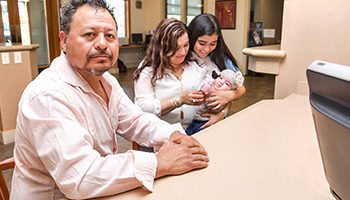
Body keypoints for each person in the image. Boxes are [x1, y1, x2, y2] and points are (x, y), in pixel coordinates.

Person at [10, 1, 209, 199]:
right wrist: (159, 163)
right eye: (89, 35)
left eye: (110, 36)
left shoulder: (107, 81)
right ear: (64, 41)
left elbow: (136, 121)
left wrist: (173, 134)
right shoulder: (48, 95)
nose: (102, 44)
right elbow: (81, 178)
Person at [134, 18, 212, 130]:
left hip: (195, 128)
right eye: (175, 48)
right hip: (160, 132)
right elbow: (143, 107)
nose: (183, 52)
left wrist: (222, 112)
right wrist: (180, 100)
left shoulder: (196, 61)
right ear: (162, 47)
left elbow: (225, 79)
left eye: (186, 45)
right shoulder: (149, 69)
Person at [187, 13, 246, 127]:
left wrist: (228, 99)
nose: (207, 49)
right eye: (202, 43)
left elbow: (241, 88)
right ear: (192, 37)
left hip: (207, 120)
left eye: (213, 44)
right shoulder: (183, 54)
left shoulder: (218, 56)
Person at [186, 69, 244, 135]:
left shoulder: (220, 95)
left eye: (226, 84)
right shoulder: (210, 85)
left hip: (205, 122)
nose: (221, 82)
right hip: (194, 120)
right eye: (221, 78)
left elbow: (241, 89)